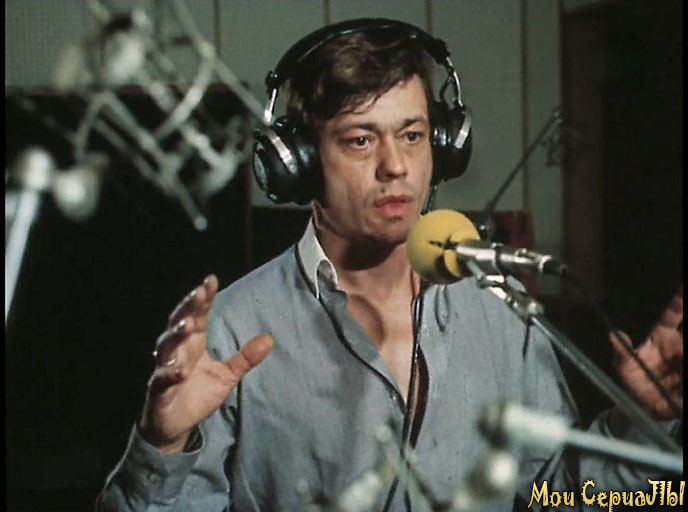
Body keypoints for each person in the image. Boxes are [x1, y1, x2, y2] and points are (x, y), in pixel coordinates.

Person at [95, 19, 683, 512]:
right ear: (299, 164)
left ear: (442, 145)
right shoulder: (232, 329)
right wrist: (161, 447)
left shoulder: (498, 306)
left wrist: (642, 424)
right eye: (360, 140)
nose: (395, 166)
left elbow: (560, 496)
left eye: (413, 135)